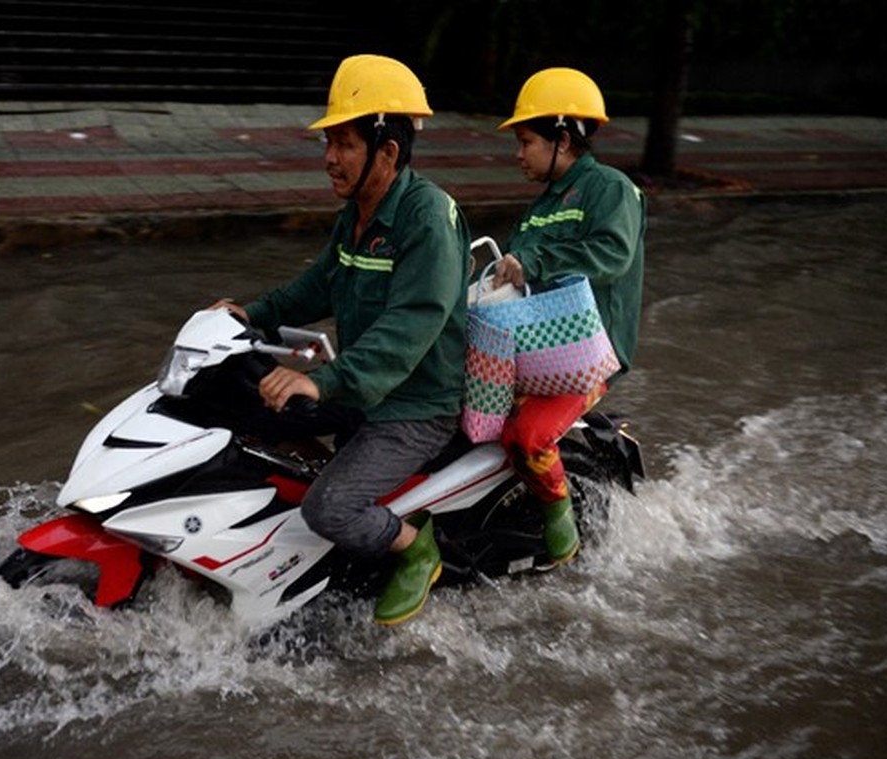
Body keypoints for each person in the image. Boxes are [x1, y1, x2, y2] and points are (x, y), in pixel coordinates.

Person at [211, 54, 470, 626]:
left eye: (344, 144)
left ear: (388, 153)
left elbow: (410, 329)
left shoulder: (428, 217)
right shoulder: (357, 212)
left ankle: (413, 549)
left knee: (328, 506)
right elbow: (317, 285)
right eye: (328, 143)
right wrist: (248, 312)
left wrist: (321, 380)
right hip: (362, 392)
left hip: (414, 407)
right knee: (246, 412)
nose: (329, 158)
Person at [490, 67, 646, 567]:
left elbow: (612, 255)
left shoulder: (610, 190)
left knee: (528, 436)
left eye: (526, 141)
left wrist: (533, 263)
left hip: (589, 351)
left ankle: (561, 525)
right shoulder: (538, 210)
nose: (518, 154)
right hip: (536, 350)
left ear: (562, 138)